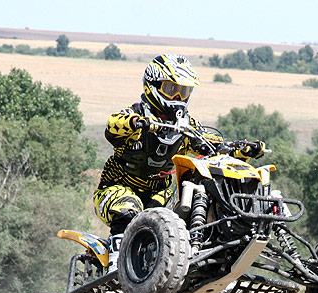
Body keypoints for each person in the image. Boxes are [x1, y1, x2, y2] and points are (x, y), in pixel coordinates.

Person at [93, 53, 266, 262]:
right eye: (171, 89)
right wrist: (137, 122)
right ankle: (115, 266)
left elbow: (215, 145)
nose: (177, 97)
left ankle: (200, 265)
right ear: (153, 86)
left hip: (160, 195)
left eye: (183, 92)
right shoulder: (135, 114)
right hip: (117, 189)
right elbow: (113, 125)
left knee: (175, 227)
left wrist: (241, 149)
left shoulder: (187, 125)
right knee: (128, 210)